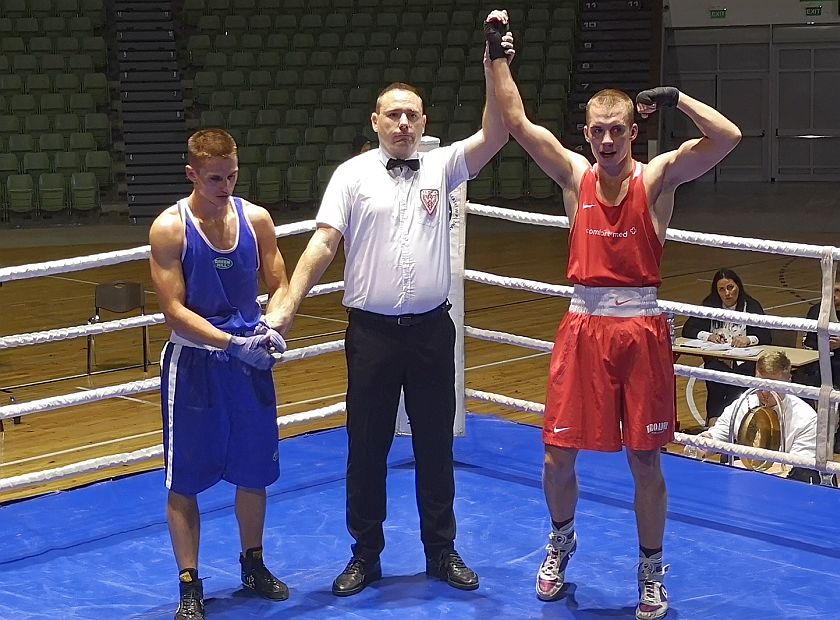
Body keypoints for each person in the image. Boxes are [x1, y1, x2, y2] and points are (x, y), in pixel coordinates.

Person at [486, 11, 741, 620]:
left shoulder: (655, 179)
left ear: (634, 130)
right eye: (597, 131)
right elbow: (517, 123)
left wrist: (677, 98)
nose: (606, 141)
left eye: (617, 131)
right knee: (556, 455)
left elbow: (727, 137)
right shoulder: (574, 177)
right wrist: (496, 53)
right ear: (586, 132)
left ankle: (652, 569)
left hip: (642, 332)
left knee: (645, 459)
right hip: (583, 328)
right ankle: (560, 539)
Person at [267, 15, 511, 597]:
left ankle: (441, 551)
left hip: (431, 331)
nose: (403, 122)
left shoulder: (445, 164)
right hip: (371, 334)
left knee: (434, 447)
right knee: (366, 447)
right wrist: (286, 306)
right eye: (393, 114)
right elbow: (324, 242)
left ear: (424, 123)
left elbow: (498, 132)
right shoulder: (350, 176)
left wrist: (492, 61)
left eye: (412, 115)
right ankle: (365, 555)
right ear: (376, 122)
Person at [149, 129, 290, 620]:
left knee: (253, 470)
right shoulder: (170, 229)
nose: (225, 186)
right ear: (192, 174)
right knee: (184, 478)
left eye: (232, 175)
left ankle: (253, 564)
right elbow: (173, 311)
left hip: (249, 362)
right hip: (194, 365)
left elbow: (279, 280)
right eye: (214, 179)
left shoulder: (257, 219)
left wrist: (274, 325)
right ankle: (190, 583)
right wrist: (233, 343)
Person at [701, 351, 820, 483]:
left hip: (784, 488)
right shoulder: (741, 405)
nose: (764, 393)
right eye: (760, 384)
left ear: (788, 381)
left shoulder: (807, 419)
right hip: (742, 485)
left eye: (773, 386)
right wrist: (703, 444)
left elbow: (798, 469)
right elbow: (718, 434)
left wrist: (747, 468)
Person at [682, 269, 772, 426]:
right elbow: (688, 329)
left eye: (730, 287)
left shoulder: (751, 306)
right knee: (715, 376)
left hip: (744, 363)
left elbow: (766, 335)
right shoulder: (710, 305)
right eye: (721, 290)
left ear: (738, 286)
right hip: (719, 360)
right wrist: (708, 336)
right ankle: (714, 422)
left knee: (735, 382)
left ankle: (724, 422)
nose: (727, 293)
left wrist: (748, 339)